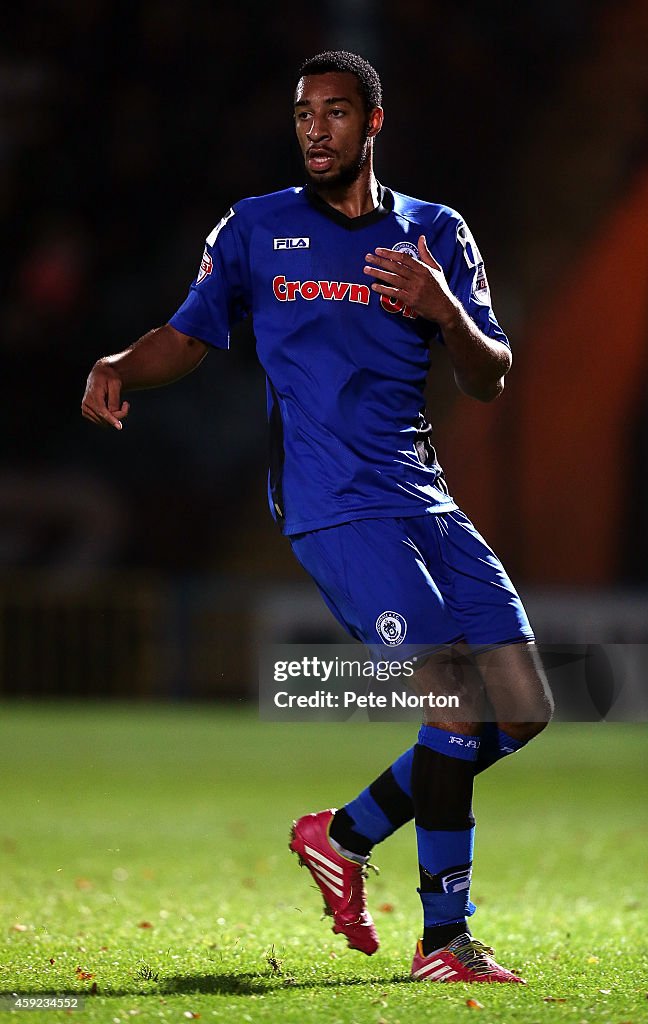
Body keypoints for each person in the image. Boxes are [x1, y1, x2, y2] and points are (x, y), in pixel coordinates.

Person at [82, 50, 553, 985]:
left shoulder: (436, 232)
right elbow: (188, 334)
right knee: (452, 700)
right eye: (303, 115)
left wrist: (442, 306)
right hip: (332, 504)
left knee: (526, 708)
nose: (314, 129)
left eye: (334, 114)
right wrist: (119, 365)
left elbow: (489, 373)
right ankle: (443, 941)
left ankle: (339, 836)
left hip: (425, 497)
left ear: (371, 122)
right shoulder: (258, 228)